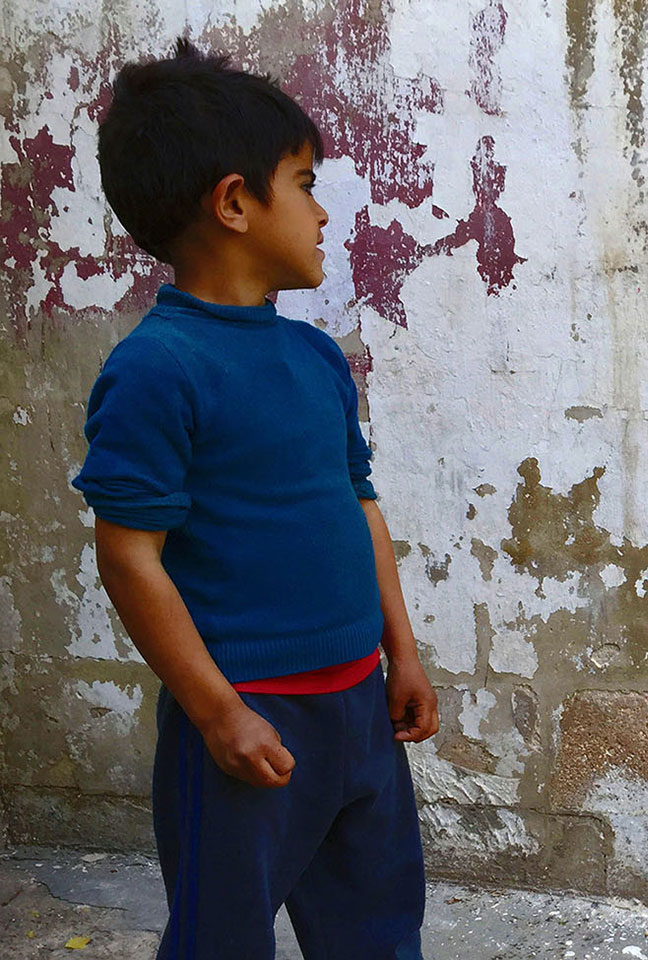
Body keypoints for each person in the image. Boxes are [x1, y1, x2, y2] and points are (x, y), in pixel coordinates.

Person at [71, 38, 438, 960]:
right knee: (221, 939)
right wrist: (216, 712)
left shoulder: (314, 359)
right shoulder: (158, 370)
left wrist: (402, 653)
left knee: (379, 930)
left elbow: (360, 506)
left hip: (360, 708)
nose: (322, 214)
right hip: (249, 721)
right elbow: (129, 555)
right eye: (306, 184)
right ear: (234, 202)